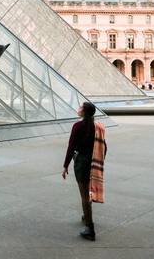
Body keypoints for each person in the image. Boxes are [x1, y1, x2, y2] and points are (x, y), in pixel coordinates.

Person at [62, 102, 107, 241]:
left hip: (81, 162)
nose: (78, 108)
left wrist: (65, 166)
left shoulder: (78, 126)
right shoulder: (98, 126)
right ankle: (86, 215)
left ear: (84, 111)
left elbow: (71, 147)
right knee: (88, 191)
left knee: (84, 195)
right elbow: (104, 147)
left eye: (80, 107)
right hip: (92, 161)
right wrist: (98, 160)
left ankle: (90, 228)